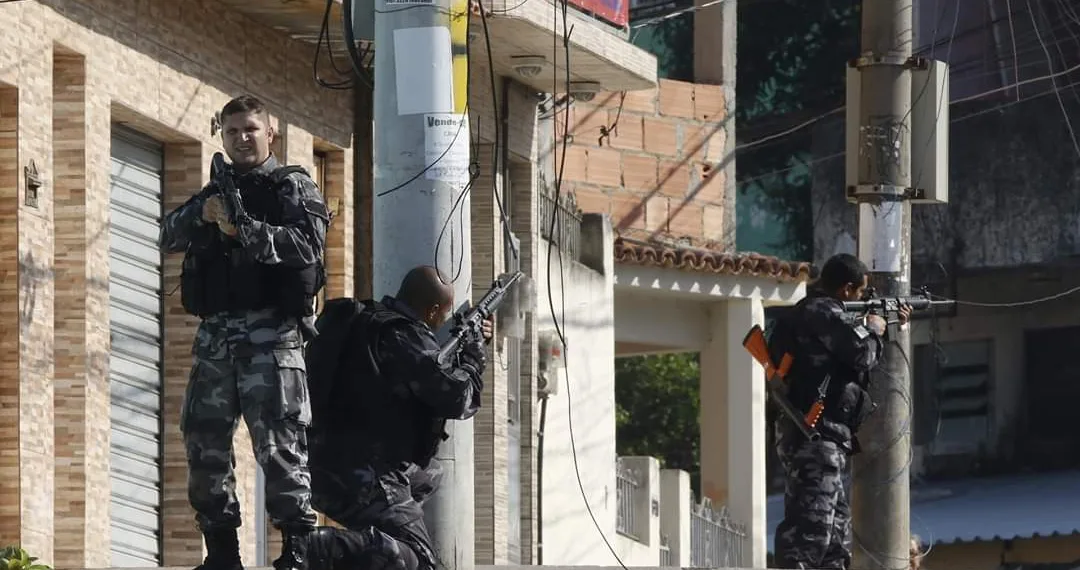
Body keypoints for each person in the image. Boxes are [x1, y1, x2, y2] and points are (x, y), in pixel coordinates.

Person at [160, 94, 330, 570]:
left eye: (251, 130)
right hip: (216, 341)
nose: (242, 139)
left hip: (273, 340)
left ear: (270, 133)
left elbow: (308, 245)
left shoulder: (291, 186)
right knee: (203, 442)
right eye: (232, 132)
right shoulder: (217, 189)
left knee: (280, 449)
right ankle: (222, 554)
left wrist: (245, 230)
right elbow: (167, 235)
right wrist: (205, 215)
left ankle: (296, 552)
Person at [304, 265, 492, 570]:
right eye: (442, 316)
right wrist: (473, 357)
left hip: (319, 467)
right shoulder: (403, 335)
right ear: (432, 311)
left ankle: (363, 544)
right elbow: (458, 399)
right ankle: (324, 546)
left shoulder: (361, 323)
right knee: (420, 562)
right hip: (367, 477)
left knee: (427, 474)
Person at [770, 253, 912, 570]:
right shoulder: (821, 312)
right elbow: (861, 355)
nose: (861, 299)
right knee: (811, 533)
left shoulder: (812, 315)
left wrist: (884, 323)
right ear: (847, 289)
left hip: (819, 435)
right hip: (815, 434)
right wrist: (874, 328)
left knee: (834, 537)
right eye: (861, 293)